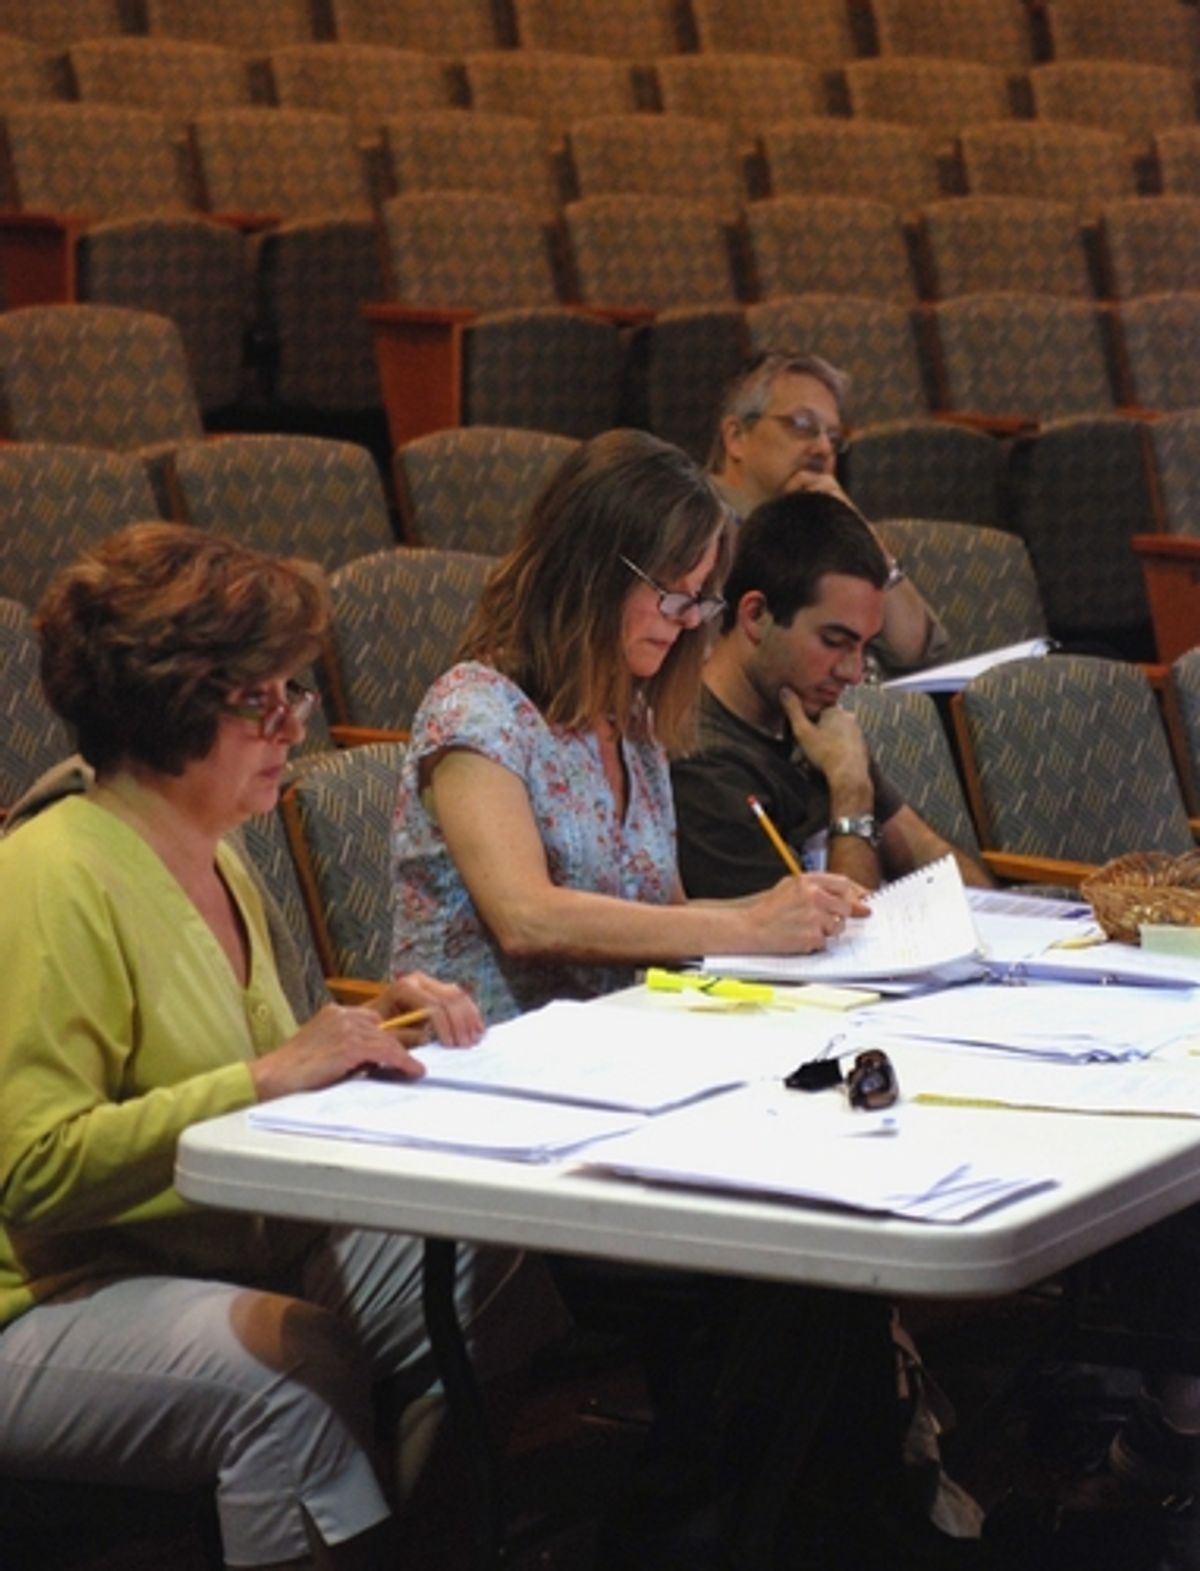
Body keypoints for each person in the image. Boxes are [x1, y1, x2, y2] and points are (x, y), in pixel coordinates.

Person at [0, 523, 552, 1571]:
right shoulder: (53, 872)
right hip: (43, 1296)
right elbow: (31, 1173)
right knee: (289, 1374)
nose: (295, 723)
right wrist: (269, 1073)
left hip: (208, 1248)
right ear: (173, 700)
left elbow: (251, 1056)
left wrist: (370, 1026)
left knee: (491, 1269)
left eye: (293, 691)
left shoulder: (214, 845)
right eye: (266, 697)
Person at [391, 426, 867, 1026]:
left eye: (698, 600)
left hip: (613, 1048)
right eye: (671, 594)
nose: (687, 623)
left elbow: (664, 915)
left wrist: (797, 907)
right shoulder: (475, 709)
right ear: (592, 571)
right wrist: (751, 925)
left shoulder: (632, 720)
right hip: (482, 1058)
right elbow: (525, 917)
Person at [672, 488, 992, 899]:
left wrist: (994, 918)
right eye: (833, 641)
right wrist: (851, 792)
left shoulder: (813, 714)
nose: (853, 673)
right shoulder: (700, 760)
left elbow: (926, 855)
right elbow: (834, 943)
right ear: (755, 616)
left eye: (863, 646)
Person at [708, 349, 949, 676]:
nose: (823, 448)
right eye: (802, 425)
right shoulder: (689, 521)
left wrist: (859, 534)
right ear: (736, 437)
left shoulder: (817, 530)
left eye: (834, 438)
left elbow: (916, 653)